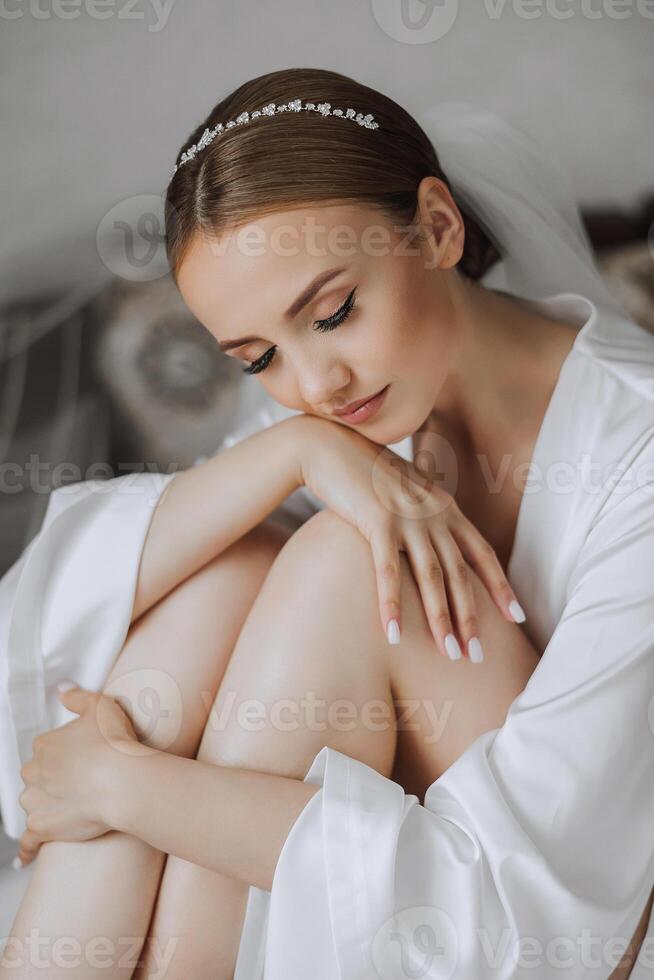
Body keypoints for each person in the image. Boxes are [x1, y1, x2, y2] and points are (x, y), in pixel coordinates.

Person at [1, 67, 653, 979]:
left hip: (554, 915)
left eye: (334, 312)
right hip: (389, 859)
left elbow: (538, 907)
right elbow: (49, 618)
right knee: (225, 565)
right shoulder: (336, 419)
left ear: (436, 226)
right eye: (259, 357)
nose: (316, 386)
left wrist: (120, 784)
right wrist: (298, 458)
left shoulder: (640, 457)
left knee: (344, 555)